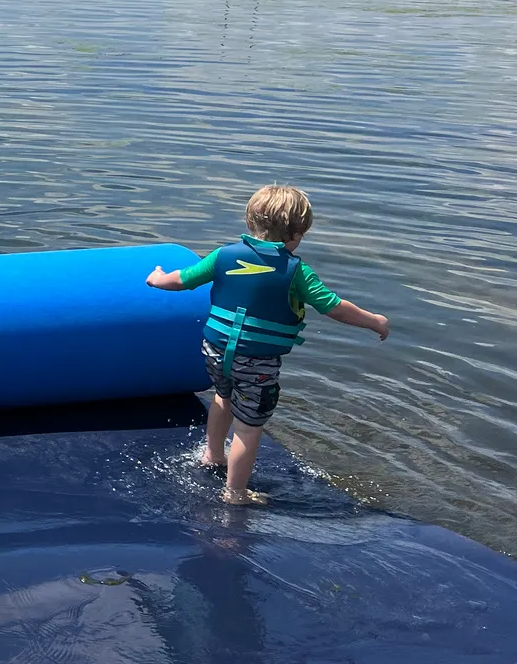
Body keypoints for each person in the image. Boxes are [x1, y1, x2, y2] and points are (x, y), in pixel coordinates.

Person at [147, 185, 390, 505]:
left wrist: (157, 277)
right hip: (257, 362)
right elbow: (333, 307)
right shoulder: (296, 272)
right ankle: (235, 493)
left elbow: (182, 280)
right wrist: (374, 320)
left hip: (215, 350)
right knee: (248, 428)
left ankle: (212, 454)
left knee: (223, 397)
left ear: (250, 223)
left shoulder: (223, 255)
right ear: (297, 233)